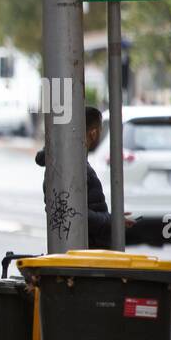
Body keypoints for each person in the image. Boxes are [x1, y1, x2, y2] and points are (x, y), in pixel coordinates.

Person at [34, 106, 132, 250]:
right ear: (93, 133)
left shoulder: (66, 164)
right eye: (100, 130)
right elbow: (74, 213)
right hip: (87, 253)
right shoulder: (72, 167)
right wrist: (112, 220)